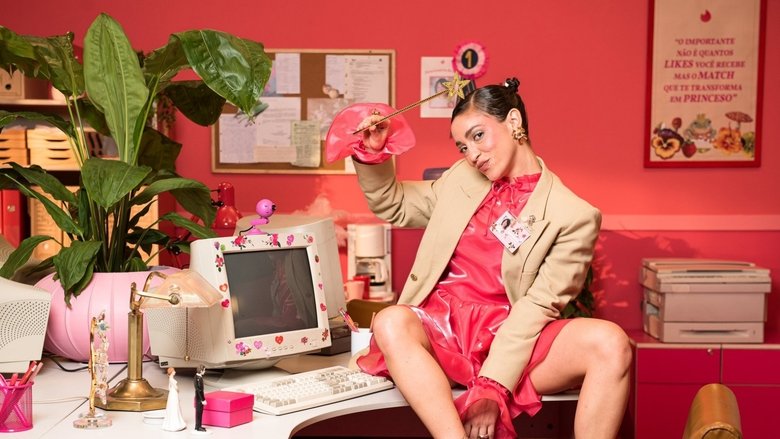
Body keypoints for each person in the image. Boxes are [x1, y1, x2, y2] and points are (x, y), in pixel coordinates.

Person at [327, 78, 631, 439]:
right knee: (390, 320)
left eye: (478, 136)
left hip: (514, 338)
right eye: (462, 146)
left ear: (514, 122)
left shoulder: (574, 214)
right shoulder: (462, 178)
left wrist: (492, 384)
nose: (471, 154)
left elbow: (539, 305)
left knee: (611, 342)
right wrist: (374, 151)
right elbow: (396, 204)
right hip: (442, 331)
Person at [161, 367, 186, 431]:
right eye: (174, 371)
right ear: (172, 372)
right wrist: (177, 390)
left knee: (174, 405)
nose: (175, 372)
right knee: (175, 405)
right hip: (173, 393)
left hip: (172, 393)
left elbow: (169, 388)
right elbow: (176, 387)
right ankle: (176, 423)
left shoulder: (170, 378)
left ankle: (176, 421)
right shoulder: (171, 379)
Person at [194, 364, 207, 433]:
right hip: (199, 399)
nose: (205, 371)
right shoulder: (200, 378)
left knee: (198, 413)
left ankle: (198, 426)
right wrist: (203, 399)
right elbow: (200, 390)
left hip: (197, 398)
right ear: (201, 371)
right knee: (199, 412)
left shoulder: (196, 377)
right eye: (204, 370)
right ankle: (198, 427)